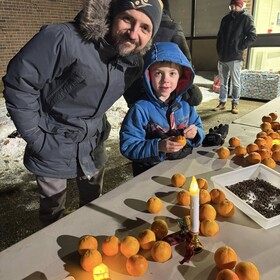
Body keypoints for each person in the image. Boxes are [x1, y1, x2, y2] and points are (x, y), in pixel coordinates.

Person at [2, 0, 163, 226]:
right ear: (113, 14)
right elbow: (19, 83)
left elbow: (141, 97)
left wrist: (174, 110)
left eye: (145, 28)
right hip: (52, 140)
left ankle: (89, 246)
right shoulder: (63, 39)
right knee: (52, 212)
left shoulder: (132, 61)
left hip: (93, 143)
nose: (133, 33)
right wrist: (36, 137)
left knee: (93, 206)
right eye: (128, 19)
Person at [120, 42, 205, 176]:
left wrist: (196, 134)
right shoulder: (140, 109)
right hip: (148, 174)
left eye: (172, 73)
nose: (165, 80)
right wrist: (158, 146)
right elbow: (128, 146)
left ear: (181, 77)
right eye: (158, 73)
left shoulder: (186, 105)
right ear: (148, 76)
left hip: (181, 169)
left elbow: (199, 128)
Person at [124, 0, 203, 107]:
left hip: (140, 92)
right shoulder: (172, 28)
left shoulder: (133, 23)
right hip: (164, 96)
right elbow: (185, 61)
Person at [214, 0, 257, 114]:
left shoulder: (246, 18)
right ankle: (222, 102)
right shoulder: (226, 19)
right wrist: (219, 49)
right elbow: (219, 36)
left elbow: (252, 35)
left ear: (241, 6)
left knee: (235, 82)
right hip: (223, 55)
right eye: (231, 6)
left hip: (235, 57)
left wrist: (239, 47)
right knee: (223, 82)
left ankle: (235, 103)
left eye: (235, 6)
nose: (233, 8)